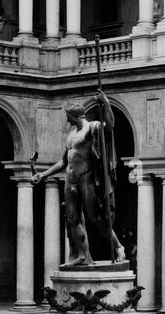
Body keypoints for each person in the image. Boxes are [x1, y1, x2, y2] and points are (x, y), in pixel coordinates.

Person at [34, 92, 126, 267]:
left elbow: (110, 126)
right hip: (70, 180)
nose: (66, 119)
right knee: (73, 219)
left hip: (86, 179)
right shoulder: (71, 135)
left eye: (67, 116)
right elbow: (63, 161)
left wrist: (105, 104)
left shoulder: (92, 127)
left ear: (74, 115)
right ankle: (83, 255)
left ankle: (119, 246)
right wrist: (43, 175)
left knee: (96, 218)